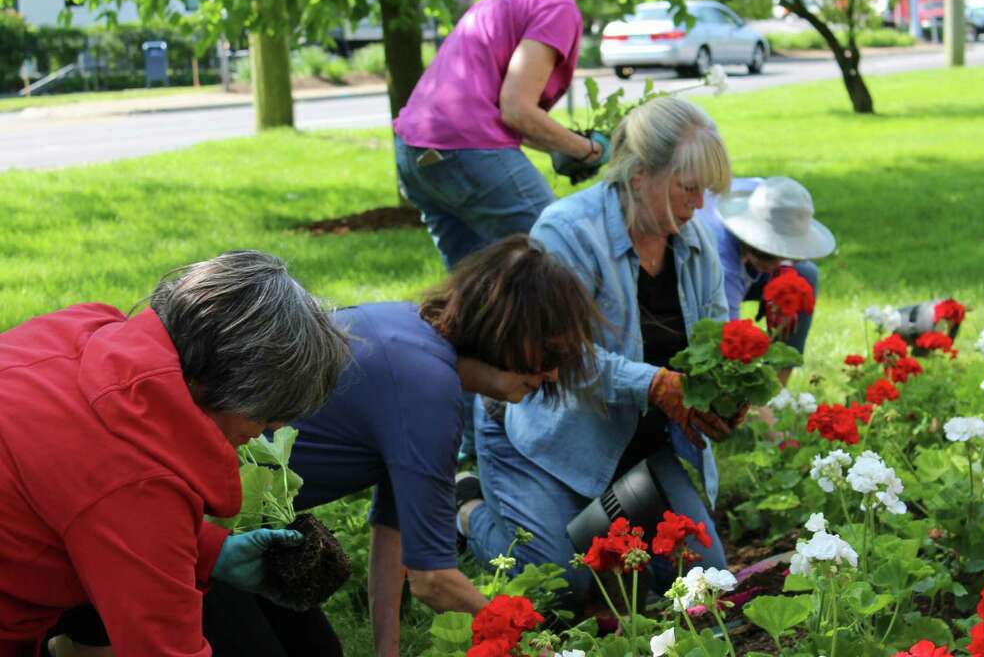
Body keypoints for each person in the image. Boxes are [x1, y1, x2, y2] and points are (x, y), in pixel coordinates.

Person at [231, 236, 601, 657]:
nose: (552, 375)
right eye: (549, 355)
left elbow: (392, 535)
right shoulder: (428, 390)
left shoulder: (413, 336)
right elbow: (433, 580)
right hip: (196, 522)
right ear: (507, 330)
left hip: (238, 528)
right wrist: (537, 647)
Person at [0, 251, 350, 657]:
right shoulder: (135, 482)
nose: (269, 428)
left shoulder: (85, 328)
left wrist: (211, 552)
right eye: (268, 411)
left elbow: (83, 502)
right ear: (223, 384)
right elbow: (166, 648)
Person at [460, 96, 738, 604]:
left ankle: (598, 527)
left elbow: (716, 336)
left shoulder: (693, 241)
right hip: (546, 439)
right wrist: (655, 383)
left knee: (704, 581)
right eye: (688, 187)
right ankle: (466, 507)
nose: (699, 205)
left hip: (636, 448)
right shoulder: (567, 231)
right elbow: (561, 358)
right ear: (639, 176)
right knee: (561, 585)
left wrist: (724, 389)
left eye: (705, 191)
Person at [393, 0, 621, 271]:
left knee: (478, 285)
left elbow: (496, 108)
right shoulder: (556, 4)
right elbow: (516, 108)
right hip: (467, 149)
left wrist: (560, 146)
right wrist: (587, 149)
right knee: (564, 264)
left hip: (415, 151)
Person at [697, 176, 835, 376]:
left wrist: (785, 282)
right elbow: (726, 334)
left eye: (790, 256)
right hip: (699, 281)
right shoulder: (722, 262)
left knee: (805, 274)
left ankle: (778, 386)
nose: (779, 264)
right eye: (769, 257)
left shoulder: (772, 196)